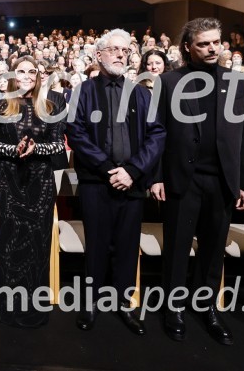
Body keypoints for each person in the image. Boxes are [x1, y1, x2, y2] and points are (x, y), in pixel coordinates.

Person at [153, 17, 244, 345]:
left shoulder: (239, 83)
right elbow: (157, 133)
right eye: (203, 43)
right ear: (188, 47)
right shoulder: (169, 82)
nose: (212, 48)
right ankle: (173, 309)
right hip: (182, 180)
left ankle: (207, 307)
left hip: (223, 182)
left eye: (216, 42)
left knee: (214, 251)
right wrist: (156, 177)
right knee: (177, 248)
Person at [66, 30, 166, 334]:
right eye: (114, 50)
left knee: (126, 246)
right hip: (97, 182)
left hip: (132, 182)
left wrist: (133, 171)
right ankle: (91, 303)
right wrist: (110, 169)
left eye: (125, 50)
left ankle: (124, 304)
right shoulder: (82, 91)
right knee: (95, 245)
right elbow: (76, 133)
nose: (121, 55)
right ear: (99, 55)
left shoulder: (141, 93)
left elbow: (157, 134)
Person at [0, 56, 65, 328]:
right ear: (13, 75)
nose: (27, 76)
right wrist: (13, 150)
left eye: (32, 71)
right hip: (6, 182)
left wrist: (36, 149)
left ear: (39, 75)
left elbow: (57, 147)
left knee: (37, 246)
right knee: (6, 244)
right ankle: (7, 309)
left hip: (40, 183)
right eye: (21, 71)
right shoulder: (0, 103)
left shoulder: (53, 103)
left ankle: (33, 309)